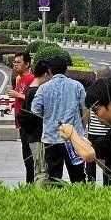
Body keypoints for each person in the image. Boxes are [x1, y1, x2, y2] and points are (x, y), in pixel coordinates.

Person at [31, 54, 87, 183]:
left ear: (50, 70)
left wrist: (48, 116)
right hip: (74, 137)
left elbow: (35, 109)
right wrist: (83, 128)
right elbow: (85, 109)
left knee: (54, 177)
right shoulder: (77, 86)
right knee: (78, 175)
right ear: (66, 69)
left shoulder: (43, 88)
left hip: (51, 137)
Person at [17, 60, 51, 183]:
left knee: (35, 169)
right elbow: (36, 115)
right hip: (37, 136)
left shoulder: (30, 89)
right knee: (41, 171)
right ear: (46, 74)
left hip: (30, 135)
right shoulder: (36, 91)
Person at [7, 52, 36, 176]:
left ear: (27, 64)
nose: (15, 64)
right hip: (21, 122)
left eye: (18, 62)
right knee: (25, 153)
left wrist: (17, 95)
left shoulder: (31, 79)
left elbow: (34, 98)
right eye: (14, 62)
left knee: (29, 155)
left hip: (29, 123)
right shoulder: (19, 78)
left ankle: (31, 180)